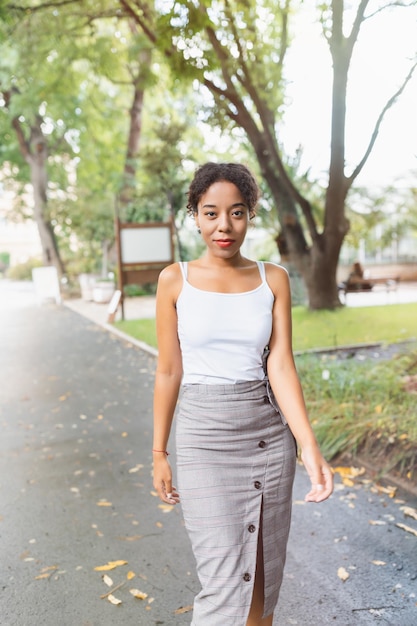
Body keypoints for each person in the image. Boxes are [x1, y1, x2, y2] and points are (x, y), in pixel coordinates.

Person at [152, 162, 333, 626]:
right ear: (194, 215)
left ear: (251, 213)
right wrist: (158, 451)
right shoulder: (175, 280)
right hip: (204, 441)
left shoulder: (273, 279)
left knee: (261, 582)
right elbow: (170, 370)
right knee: (222, 580)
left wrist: (308, 446)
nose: (223, 226)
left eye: (236, 212)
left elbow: (280, 364)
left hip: (266, 439)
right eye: (210, 213)